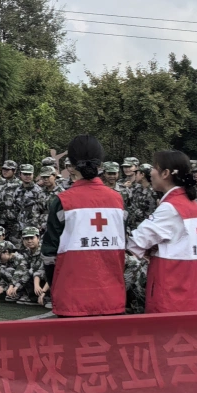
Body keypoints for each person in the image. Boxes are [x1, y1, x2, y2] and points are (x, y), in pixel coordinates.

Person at [42, 134, 126, 317]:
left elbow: (49, 254)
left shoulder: (62, 201)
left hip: (71, 298)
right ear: (100, 164)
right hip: (112, 297)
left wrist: (55, 285)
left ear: (71, 165)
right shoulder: (117, 199)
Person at [127, 150, 197, 313]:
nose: (150, 172)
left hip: (171, 295)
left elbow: (134, 244)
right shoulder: (191, 204)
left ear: (165, 173)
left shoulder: (170, 208)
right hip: (190, 293)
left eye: (154, 168)